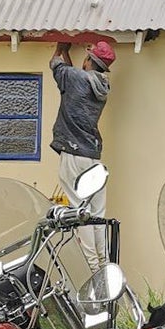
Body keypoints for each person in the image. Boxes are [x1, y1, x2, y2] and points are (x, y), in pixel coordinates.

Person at [50, 38, 116, 217]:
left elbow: (56, 66)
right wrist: (67, 54)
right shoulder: (103, 85)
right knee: (97, 212)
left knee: (80, 210)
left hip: (73, 153)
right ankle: (102, 247)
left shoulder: (76, 78)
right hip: (92, 155)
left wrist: (60, 50)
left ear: (88, 61)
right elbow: (73, 81)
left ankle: (87, 247)